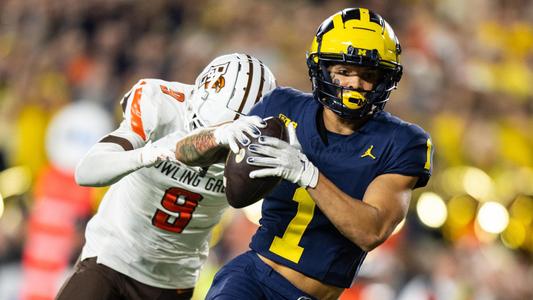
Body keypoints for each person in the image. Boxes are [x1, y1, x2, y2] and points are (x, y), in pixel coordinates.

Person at [205, 8, 434, 300]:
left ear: (385, 80)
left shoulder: (402, 142)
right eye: (344, 71)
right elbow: (213, 160)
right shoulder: (281, 107)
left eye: (368, 75)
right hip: (253, 280)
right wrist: (212, 136)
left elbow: (371, 232)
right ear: (322, 70)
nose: (354, 83)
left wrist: (307, 174)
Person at [55, 53, 276, 300]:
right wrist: (146, 155)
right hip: (112, 258)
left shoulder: (261, 146)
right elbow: (87, 171)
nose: (214, 148)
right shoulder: (161, 103)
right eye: (209, 128)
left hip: (175, 281)